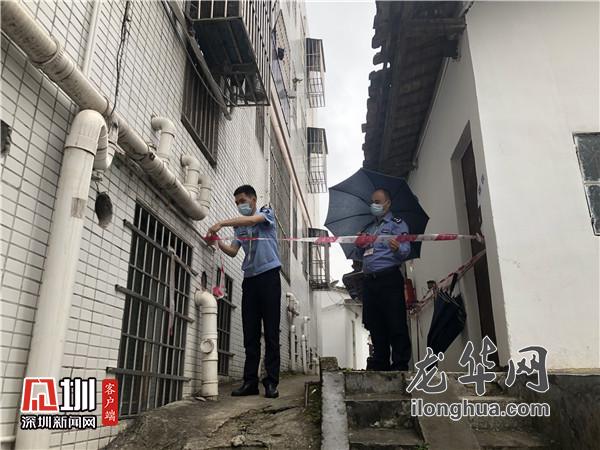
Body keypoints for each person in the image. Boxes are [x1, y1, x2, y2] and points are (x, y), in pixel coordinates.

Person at [205, 185, 282, 398]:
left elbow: (251, 221)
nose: (240, 205)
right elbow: (232, 251)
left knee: (271, 332)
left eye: (243, 201)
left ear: (253, 199)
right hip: (250, 280)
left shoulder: (266, 213)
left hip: (269, 277)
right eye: (237, 203)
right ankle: (250, 382)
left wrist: (222, 223)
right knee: (250, 332)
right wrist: (217, 241)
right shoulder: (239, 228)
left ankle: (271, 382)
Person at [350, 188, 412, 371]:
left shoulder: (397, 225)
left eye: (377, 202)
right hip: (370, 281)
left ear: (388, 204)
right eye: (373, 202)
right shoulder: (369, 228)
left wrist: (397, 248)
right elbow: (359, 256)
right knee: (374, 323)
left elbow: (406, 251)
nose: (374, 206)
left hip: (389, 278)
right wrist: (359, 244)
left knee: (396, 322)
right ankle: (380, 362)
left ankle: (400, 364)